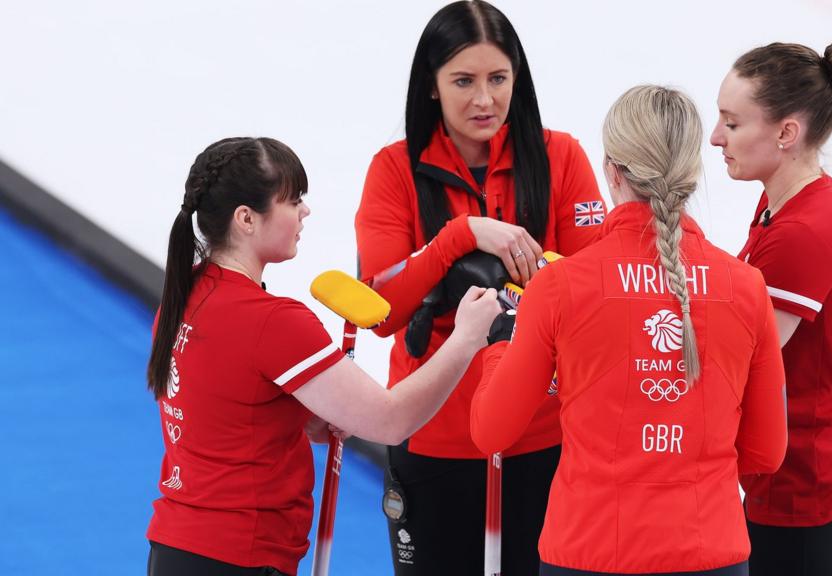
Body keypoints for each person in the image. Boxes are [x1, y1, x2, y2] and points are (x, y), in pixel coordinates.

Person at [470, 85, 789, 576]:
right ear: (691, 175)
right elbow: (765, 454)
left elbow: (492, 431)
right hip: (711, 553)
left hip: (587, 551)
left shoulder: (558, 286)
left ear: (611, 172)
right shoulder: (746, 288)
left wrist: (499, 347)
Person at [145, 137, 500, 576]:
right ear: (246, 219)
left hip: (175, 549)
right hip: (241, 557)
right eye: (293, 201)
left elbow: (225, 403)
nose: (304, 212)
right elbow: (391, 422)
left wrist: (302, 414)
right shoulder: (272, 321)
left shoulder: (184, 292)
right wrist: (466, 338)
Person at [354, 2, 606, 574]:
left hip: (543, 436)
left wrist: (532, 281)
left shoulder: (560, 157)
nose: (484, 100)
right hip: (433, 435)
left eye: (498, 79)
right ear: (432, 87)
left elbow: (596, 296)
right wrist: (459, 237)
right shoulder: (394, 170)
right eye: (463, 81)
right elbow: (382, 309)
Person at [710, 40, 832, 576]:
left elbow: (737, 362)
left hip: (805, 501)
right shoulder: (791, 198)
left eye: (732, 124)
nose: (715, 138)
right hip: (819, 470)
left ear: (787, 133)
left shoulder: (802, 230)